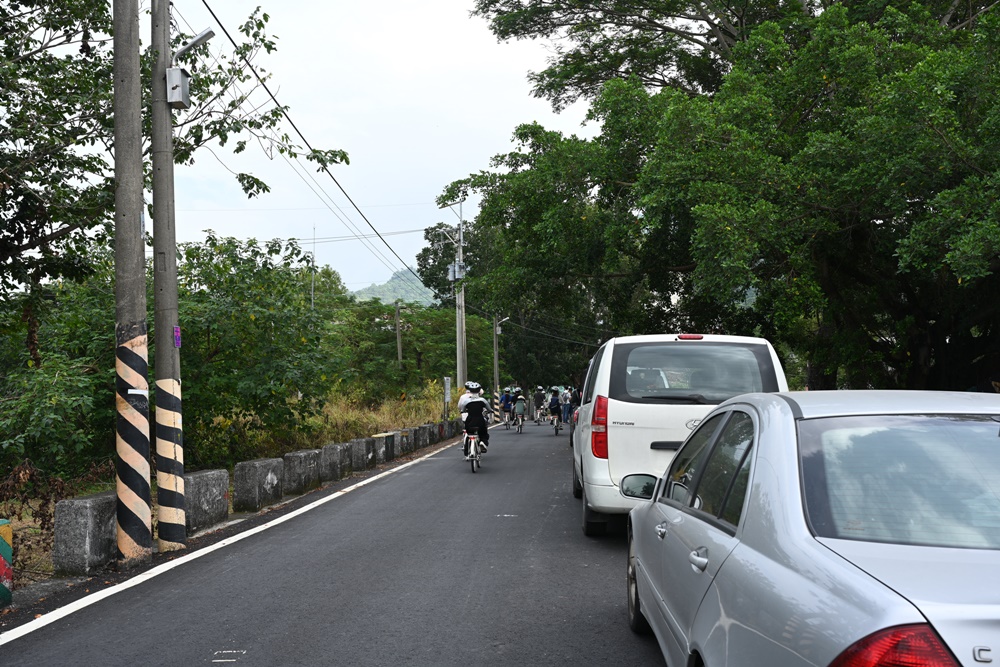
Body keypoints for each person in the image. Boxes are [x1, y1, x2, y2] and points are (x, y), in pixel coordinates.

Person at [458, 381, 491, 453]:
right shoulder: (482, 400)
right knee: (483, 432)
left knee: (468, 433)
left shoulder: (466, 401)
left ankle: (467, 450)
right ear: (479, 390)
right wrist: (490, 411)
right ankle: (482, 442)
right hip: (480, 421)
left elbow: (462, 410)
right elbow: (489, 409)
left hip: (469, 421)